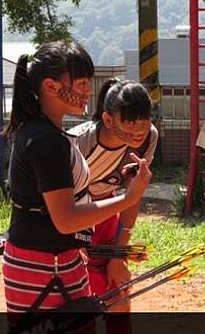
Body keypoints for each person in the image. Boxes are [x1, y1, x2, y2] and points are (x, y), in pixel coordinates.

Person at [1, 41, 151, 328]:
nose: (87, 91)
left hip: (52, 261)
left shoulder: (45, 133)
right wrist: (127, 199)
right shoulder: (47, 141)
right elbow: (66, 219)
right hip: (45, 267)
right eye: (81, 82)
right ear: (51, 86)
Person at [68, 79, 158, 332]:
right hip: (70, 216)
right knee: (78, 296)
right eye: (130, 122)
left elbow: (133, 194)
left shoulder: (149, 136)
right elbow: (61, 203)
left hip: (107, 209)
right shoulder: (79, 142)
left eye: (146, 119)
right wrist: (71, 243)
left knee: (118, 292)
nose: (140, 130)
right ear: (108, 120)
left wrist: (119, 255)